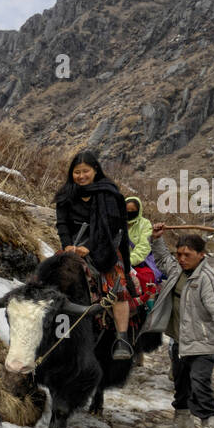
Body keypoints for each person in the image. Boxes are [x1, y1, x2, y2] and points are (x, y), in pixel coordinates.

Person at [139, 228, 214, 428]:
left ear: (201, 254)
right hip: (179, 341)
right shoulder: (177, 271)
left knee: (199, 383)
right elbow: (163, 259)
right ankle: (182, 423)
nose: (182, 259)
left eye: (188, 255)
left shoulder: (208, 279)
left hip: (203, 342)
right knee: (181, 382)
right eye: (179, 254)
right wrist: (156, 239)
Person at [54, 151, 135, 360]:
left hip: (104, 245)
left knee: (117, 286)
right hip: (74, 246)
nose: (81, 176)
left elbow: (111, 224)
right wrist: (68, 245)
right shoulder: (66, 194)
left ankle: (121, 338)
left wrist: (89, 246)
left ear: (95, 170)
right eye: (76, 172)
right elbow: (62, 223)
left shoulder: (108, 193)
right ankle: (59, 334)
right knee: (52, 282)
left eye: (85, 171)